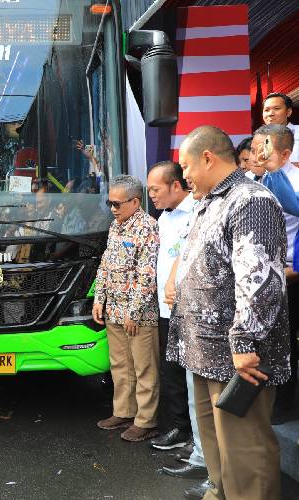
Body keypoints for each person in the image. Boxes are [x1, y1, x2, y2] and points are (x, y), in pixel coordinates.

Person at [170, 125, 289, 500]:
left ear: (207, 158)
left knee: (244, 454)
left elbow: (260, 279)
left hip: (239, 356)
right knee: (219, 452)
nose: (184, 175)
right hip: (206, 350)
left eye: (186, 167)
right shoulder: (211, 201)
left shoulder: (251, 201)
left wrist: (244, 339)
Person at [92, 175, 160, 442]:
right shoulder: (115, 226)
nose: (113, 209)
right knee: (120, 365)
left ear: (135, 201)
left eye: (118, 204)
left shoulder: (148, 227)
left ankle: (146, 420)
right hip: (114, 310)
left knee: (144, 368)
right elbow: (105, 266)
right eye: (110, 203)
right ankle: (124, 411)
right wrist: (99, 299)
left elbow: (147, 274)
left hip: (139, 314)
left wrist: (134, 311)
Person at [146, 162, 201, 472]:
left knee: (192, 377)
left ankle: (197, 438)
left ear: (176, 186)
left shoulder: (196, 213)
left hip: (188, 310)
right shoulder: (165, 217)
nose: (151, 195)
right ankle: (181, 428)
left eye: (156, 189)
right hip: (165, 310)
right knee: (172, 373)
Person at [162, 180, 212, 499]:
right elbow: (183, 253)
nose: (188, 177)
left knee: (212, 406)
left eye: (191, 169)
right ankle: (201, 459)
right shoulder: (197, 209)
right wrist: (171, 280)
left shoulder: (241, 203)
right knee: (197, 398)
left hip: (211, 324)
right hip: (187, 316)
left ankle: (215, 473)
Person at [250, 124, 299, 423]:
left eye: (264, 148)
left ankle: (284, 406)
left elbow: (294, 207)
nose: (257, 154)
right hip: (260, 278)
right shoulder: (257, 179)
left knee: (286, 343)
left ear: (285, 152)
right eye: (256, 148)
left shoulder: (292, 180)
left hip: (289, 276)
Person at [262, 92, 299, 167]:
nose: (270, 113)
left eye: (276, 108)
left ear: (288, 112)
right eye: (266, 110)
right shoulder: (259, 138)